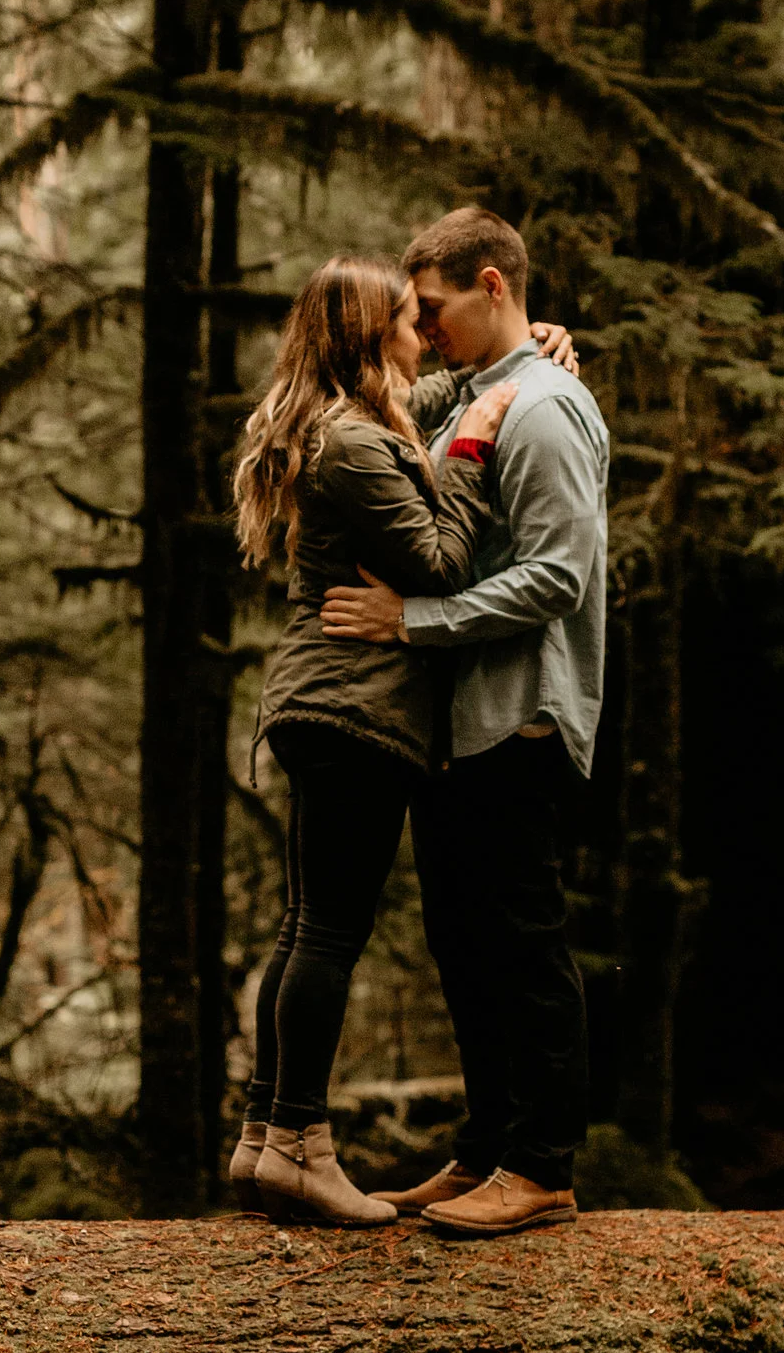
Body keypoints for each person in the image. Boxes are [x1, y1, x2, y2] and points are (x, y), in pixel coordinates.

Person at [320, 205, 607, 1238]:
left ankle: (543, 1165)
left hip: (519, 713)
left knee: (520, 937)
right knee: (463, 939)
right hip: (456, 721)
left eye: (434, 307)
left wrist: (415, 621)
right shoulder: (471, 398)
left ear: (492, 286)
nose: (422, 326)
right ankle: (490, 1148)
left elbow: (561, 574)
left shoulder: (541, 406)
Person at [230, 257, 522, 1226]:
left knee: (306, 924)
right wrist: (472, 453)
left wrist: (523, 355)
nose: (420, 331)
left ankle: (264, 1139)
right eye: (406, 318)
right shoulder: (354, 446)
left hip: (327, 702)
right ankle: (303, 1145)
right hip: (353, 703)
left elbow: (429, 389)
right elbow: (438, 560)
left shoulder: (342, 424)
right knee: (326, 930)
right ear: (368, 337)